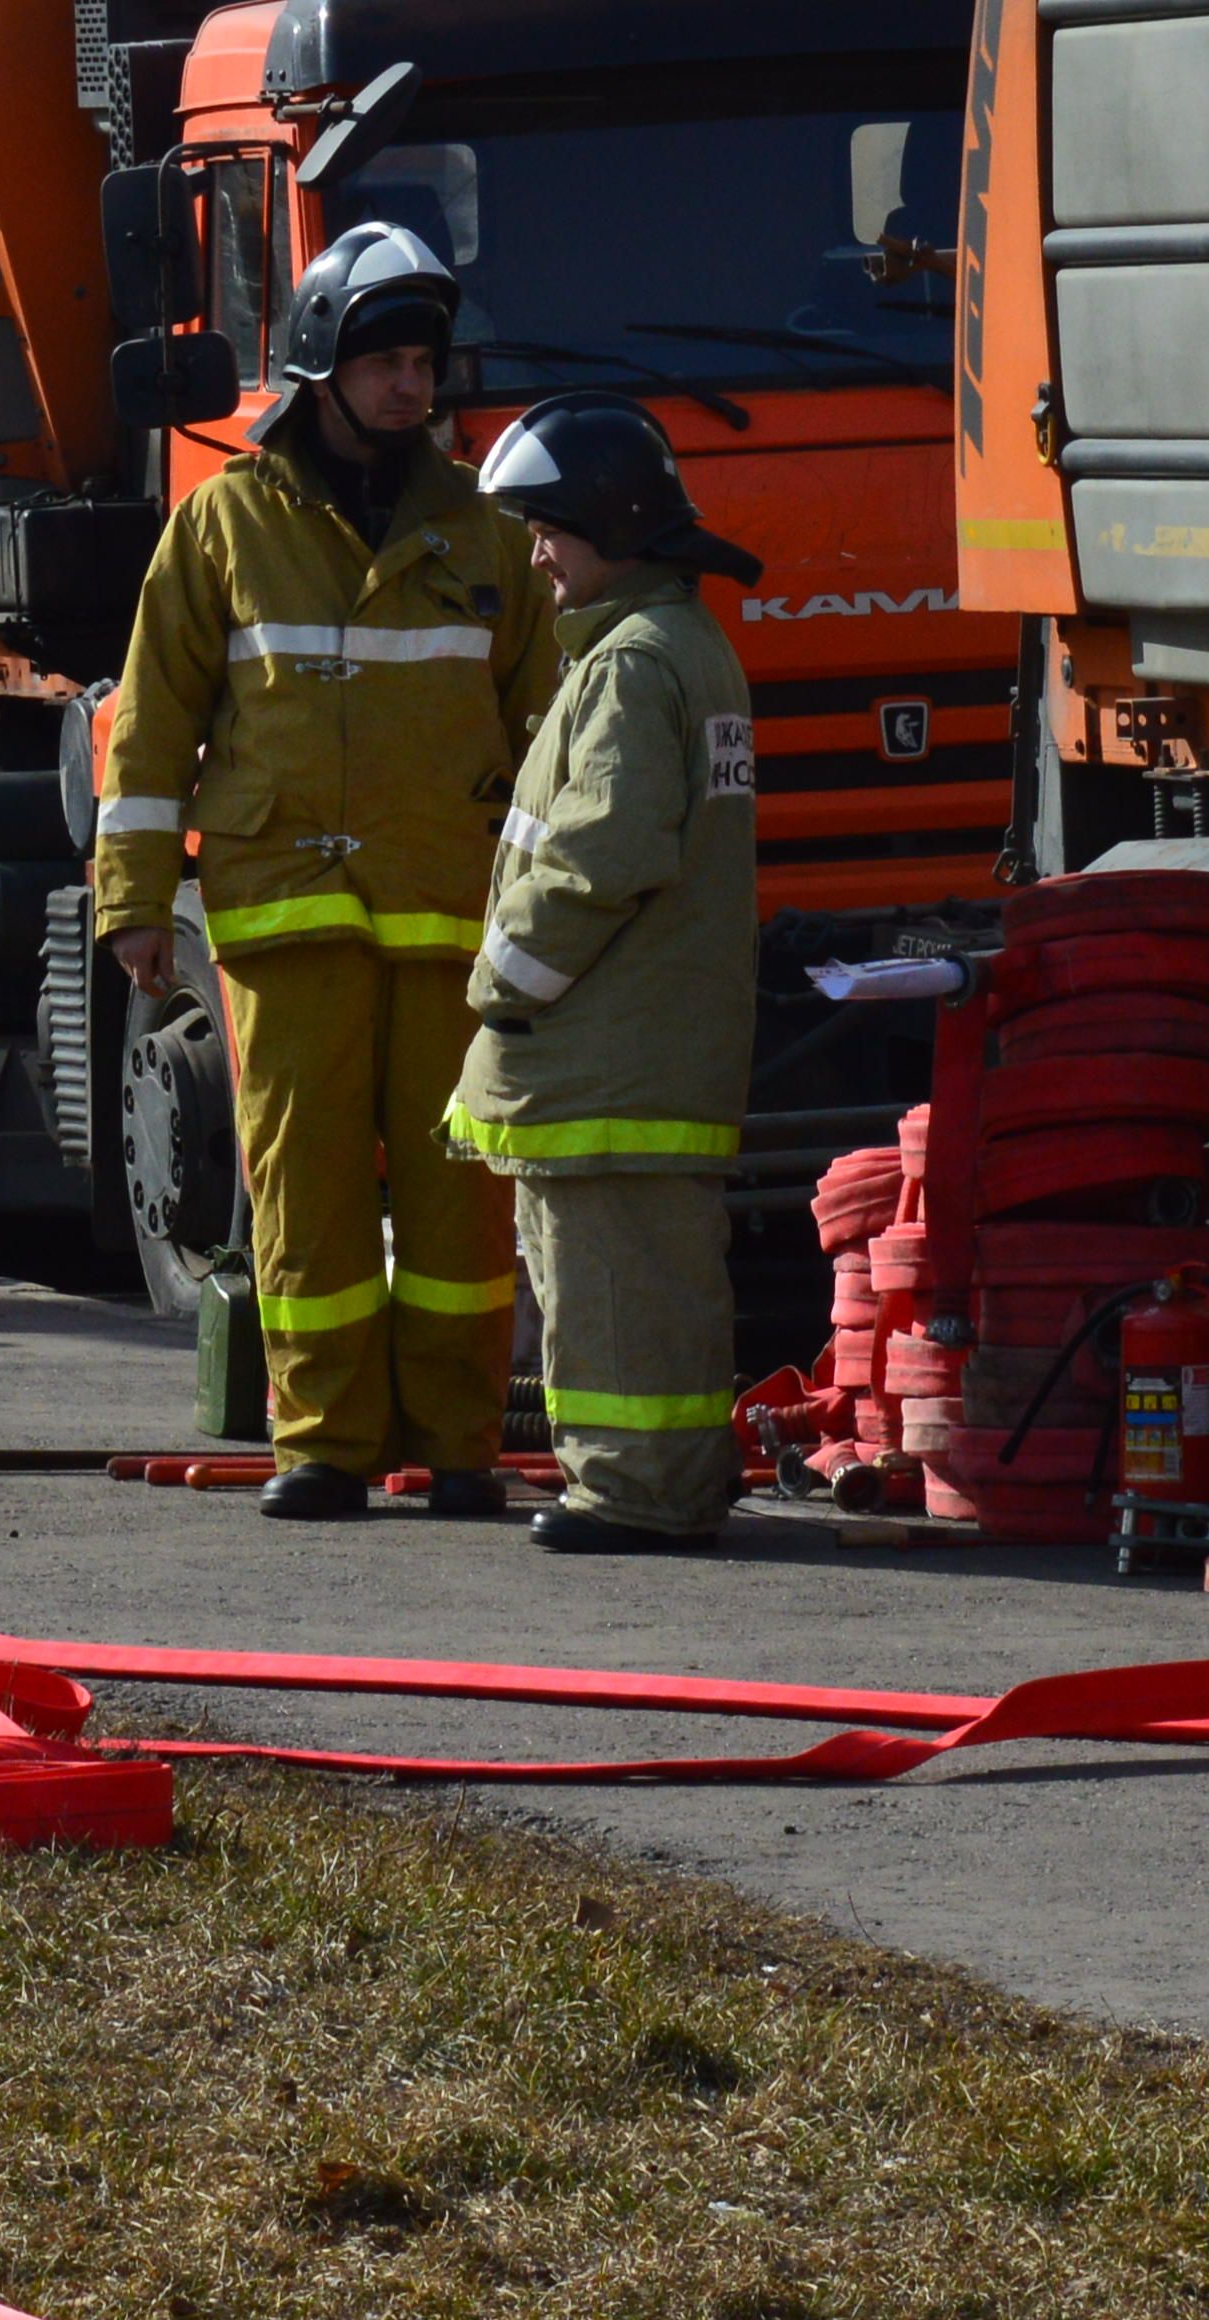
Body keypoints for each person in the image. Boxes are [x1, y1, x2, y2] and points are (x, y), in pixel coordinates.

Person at [92, 221, 559, 1521]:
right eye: (384, 362)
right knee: (304, 1194)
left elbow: (549, 727)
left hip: (449, 912)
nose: (412, 385)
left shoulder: (482, 530)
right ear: (319, 366)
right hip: (280, 912)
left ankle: (460, 1444)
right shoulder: (224, 524)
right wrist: (134, 904)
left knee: (460, 1193)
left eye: (423, 361)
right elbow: (150, 728)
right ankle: (325, 1443)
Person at [446, 397, 765, 1558]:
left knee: (611, 1295)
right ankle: (661, 1483)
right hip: (652, 1044)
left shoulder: (631, 664)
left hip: (604, 1051)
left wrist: (502, 980)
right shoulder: (684, 646)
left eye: (550, 531)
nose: (535, 555)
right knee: (656, 1291)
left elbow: (602, 851)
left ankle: (630, 1492)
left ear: (610, 527)